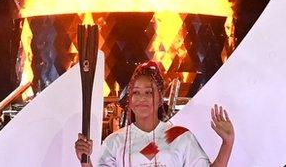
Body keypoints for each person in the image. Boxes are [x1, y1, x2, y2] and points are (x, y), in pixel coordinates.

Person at [74, 61, 234, 167]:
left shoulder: (179, 136)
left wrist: (227, 143)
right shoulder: (114, 141)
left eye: (149, 92)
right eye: (136, 92)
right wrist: (85, 160)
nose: (142, 98)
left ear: (159, 99)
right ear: (129, 100)